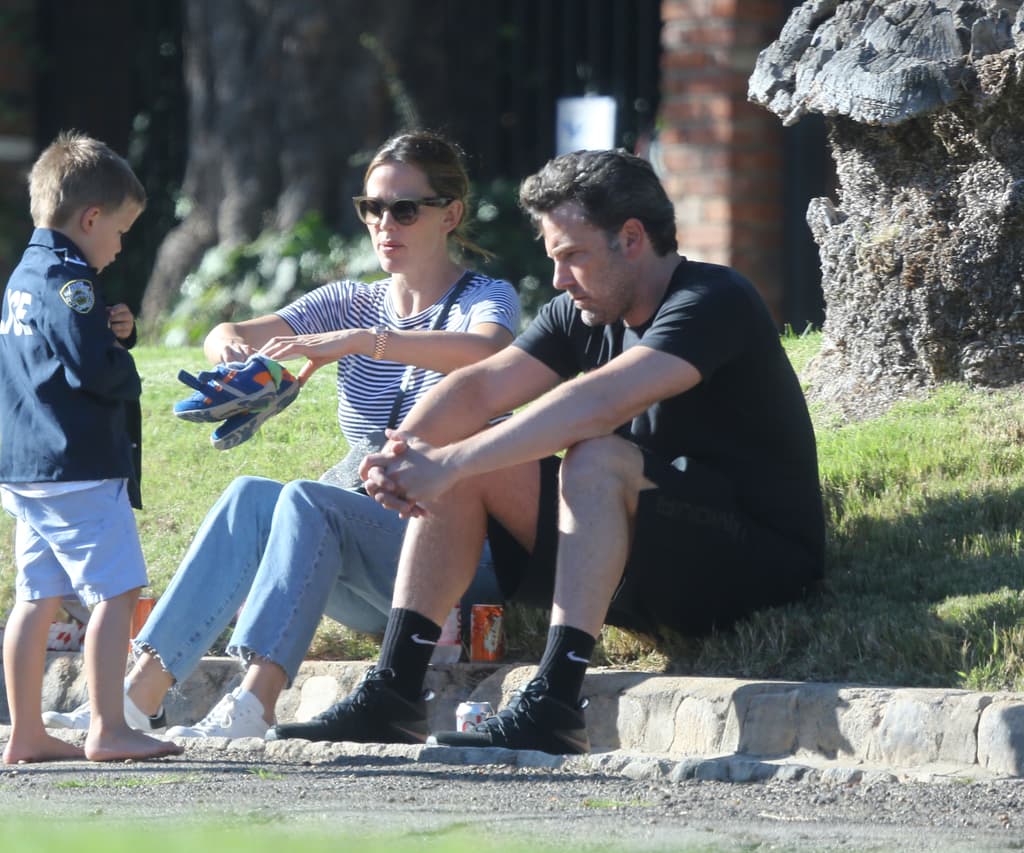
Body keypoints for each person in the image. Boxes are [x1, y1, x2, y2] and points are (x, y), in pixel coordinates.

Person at [267, 148, 825, 754]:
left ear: (631, 238)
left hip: (750, 566)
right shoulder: (579, 311)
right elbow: (481, 385)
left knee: (593, 454)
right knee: (471, 458)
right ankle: (394, 692)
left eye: (573, 256)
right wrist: (406, 451)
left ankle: (555, 701)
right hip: (642, 553)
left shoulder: (714, 300)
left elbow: (598, 404)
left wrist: (448, 461)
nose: (558, 279)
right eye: (554, 258)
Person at [44, 130, 520, 739]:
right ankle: (136, 700)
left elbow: (488, 351)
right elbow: (227, 329)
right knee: (249, 495)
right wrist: (239, 360)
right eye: (371, 208)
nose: (384, 223)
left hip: (458, 558)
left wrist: (358, 342)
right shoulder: (354, 298)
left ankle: (254, 706)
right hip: (374, 551)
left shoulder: (485, 297)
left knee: (305, 496)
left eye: (404, 208)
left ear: (449, 214)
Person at [0, 130, 180, 764]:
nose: (120, 245)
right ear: (91, 217)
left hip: (29, 467)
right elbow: (89, 369)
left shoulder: (26, 273)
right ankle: (108, 727)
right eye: (121, 231)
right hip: (78, 466)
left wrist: (111, 330)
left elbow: (54, 349)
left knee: (37, 597)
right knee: (117, 592)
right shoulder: (73, 280)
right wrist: (125, 365)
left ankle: (26, 733)